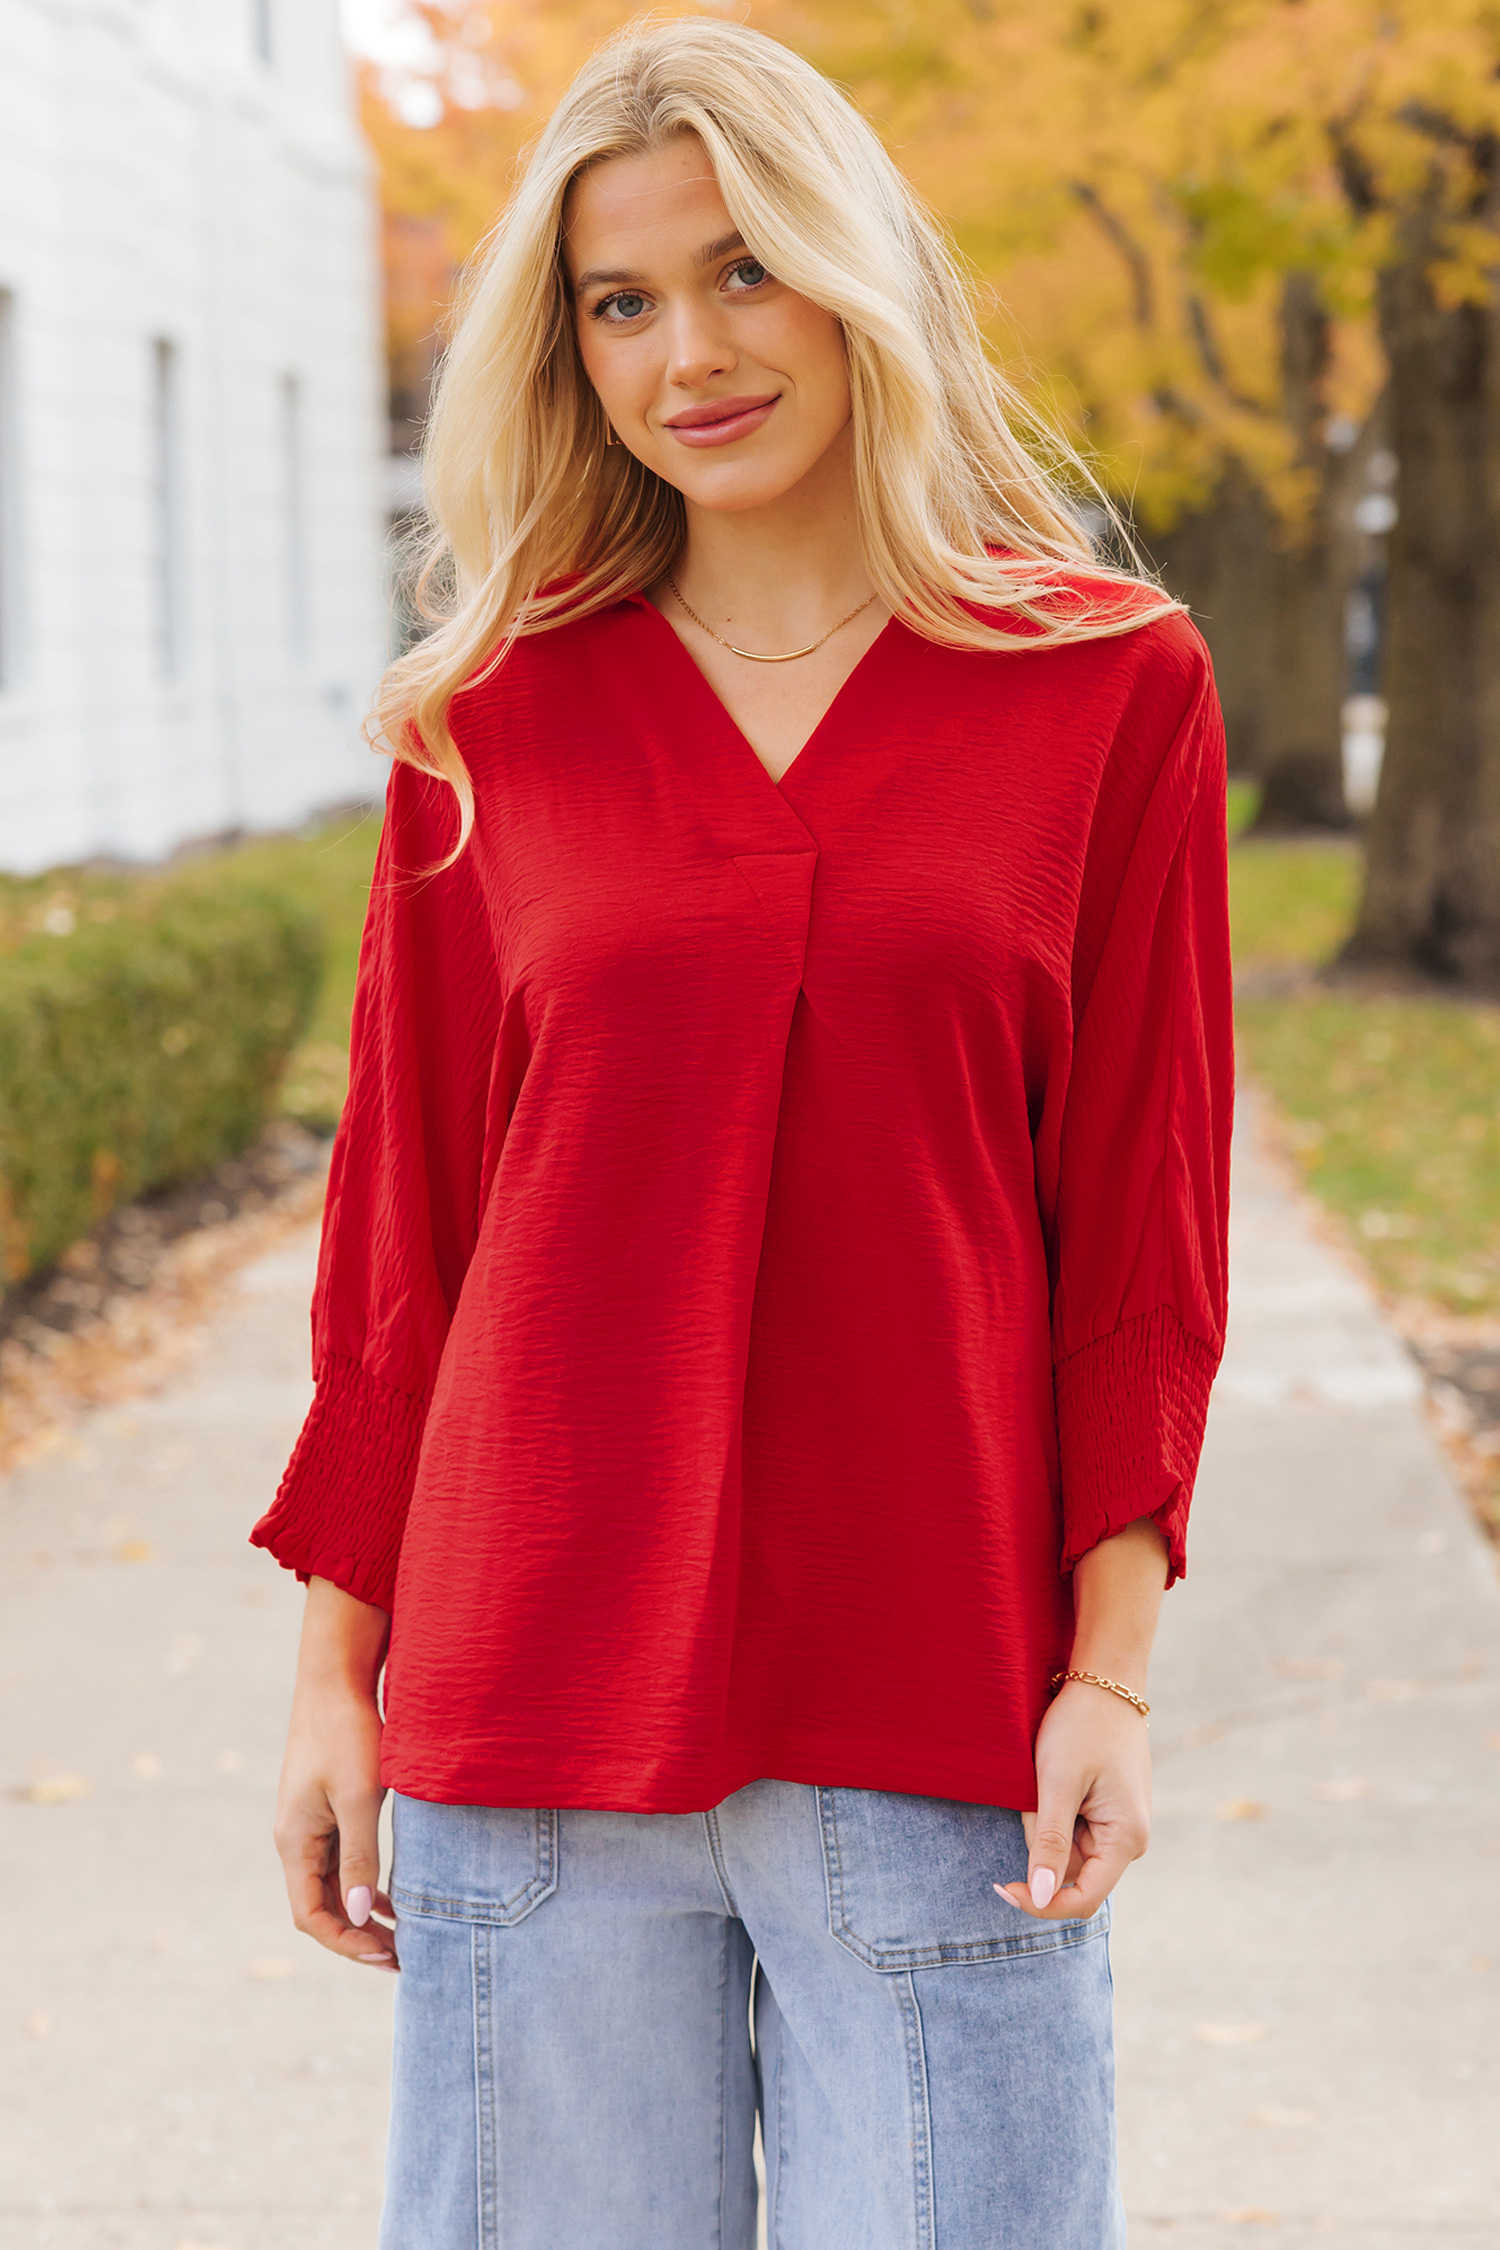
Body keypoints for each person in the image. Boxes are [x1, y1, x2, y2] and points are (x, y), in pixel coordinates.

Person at [249, 15, 1235, 2248]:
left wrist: (1111, 1671)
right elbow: (400, 1250)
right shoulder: (489, 720)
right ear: (566, 345)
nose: (689, 346)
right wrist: (334, 1674)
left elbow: (1142, 1239)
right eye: (621, 299)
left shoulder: (1109, 688)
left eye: (743, 270)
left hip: (937, 1704)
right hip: (525, 1714)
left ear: (854, 271)